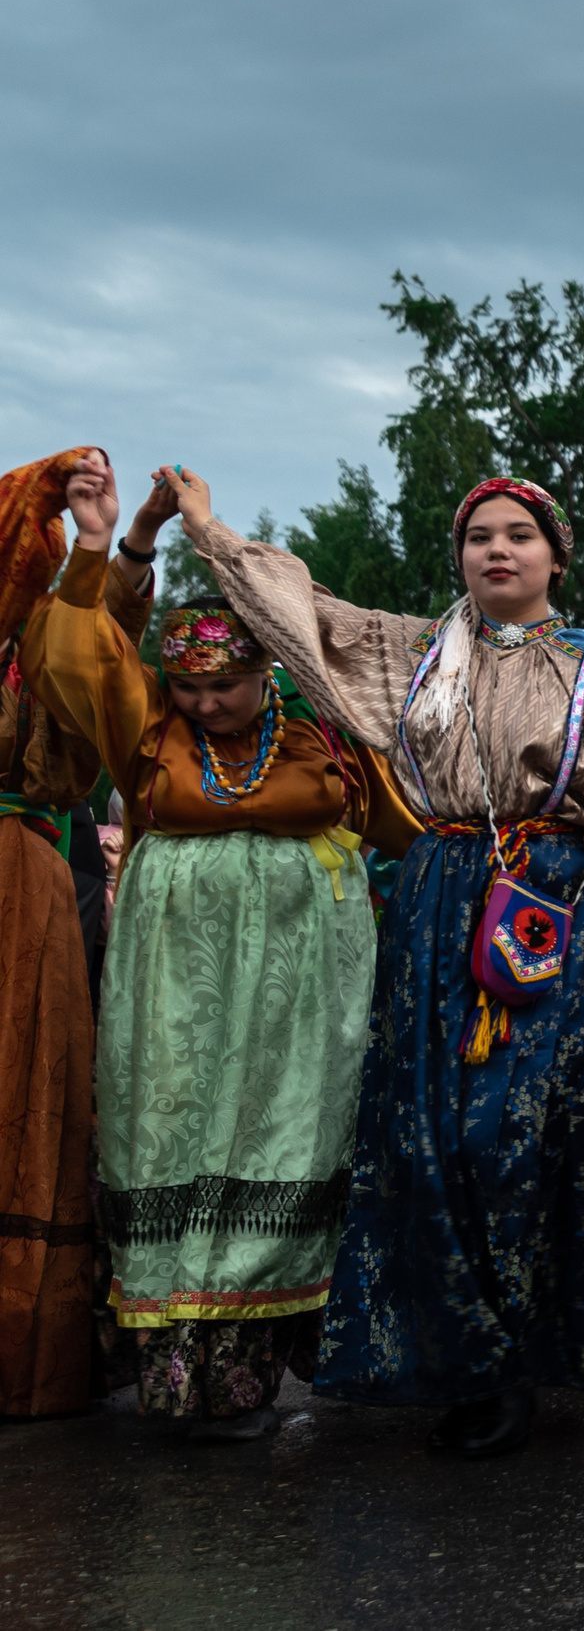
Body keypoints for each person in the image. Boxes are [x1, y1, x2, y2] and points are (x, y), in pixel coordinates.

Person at [178, 468, 584, 1458]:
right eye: (478, 536)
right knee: (433, 1140)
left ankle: (525, 1360)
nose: (497, 550)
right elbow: (300, 613)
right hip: (439, 900)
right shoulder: (409, 653)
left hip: (554, 905)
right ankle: (461, 1361)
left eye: (518, 536)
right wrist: (209, 532)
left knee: (518, 1141)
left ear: (554, 556)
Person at [39, 466, 416, 1439]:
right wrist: (121, 546)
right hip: (178, 976)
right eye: (191, 688)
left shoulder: (322, 736)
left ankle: (252, 1368)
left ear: (268, 671)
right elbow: (78, 655)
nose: (207, 705)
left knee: (288, 1134)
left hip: (303, 976)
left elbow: (411, 827)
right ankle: (171, 1361)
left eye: (229, 685)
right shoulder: (148, 733)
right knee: (172, 1127)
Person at [0, 448, 152, 1417]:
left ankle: (27, 1347)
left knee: (31, 1097)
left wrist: (110, 541)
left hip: (26, 891)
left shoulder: (33, 647)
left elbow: (99, 658)